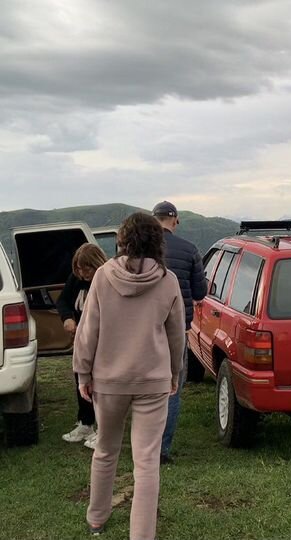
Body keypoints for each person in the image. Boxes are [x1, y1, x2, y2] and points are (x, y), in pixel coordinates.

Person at [73, 212, 185, 539]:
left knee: (106, 450)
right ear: (157, 241)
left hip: (108, 380)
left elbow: (87, 330)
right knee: (146, 462)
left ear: (122, 240)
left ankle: (96, 518)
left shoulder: (103, 276)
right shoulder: (168, 281)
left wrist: (83, 373)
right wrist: (175, 373)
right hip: (152, 380)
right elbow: (177, 335)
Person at [152, 200, 207, 464]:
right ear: (175, 221)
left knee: (142, 388)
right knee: (172, 387)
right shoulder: (189, 249)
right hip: (177, 329)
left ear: (154, 220)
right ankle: (162, 450)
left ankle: (142, 443)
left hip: (142, 330)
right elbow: (199, 293)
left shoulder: (140, 251)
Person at [57, 243, 107, 449]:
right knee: (82, 380)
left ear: (96, 264)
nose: (82, 273)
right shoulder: (76, 280)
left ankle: (104, 429)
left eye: (86, 269)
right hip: (82, 341)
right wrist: (67, 317)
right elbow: (63, 301)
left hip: (103, 342)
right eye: (78, 269)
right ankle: (86, 423)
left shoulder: (106, 280)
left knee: (101, 385)